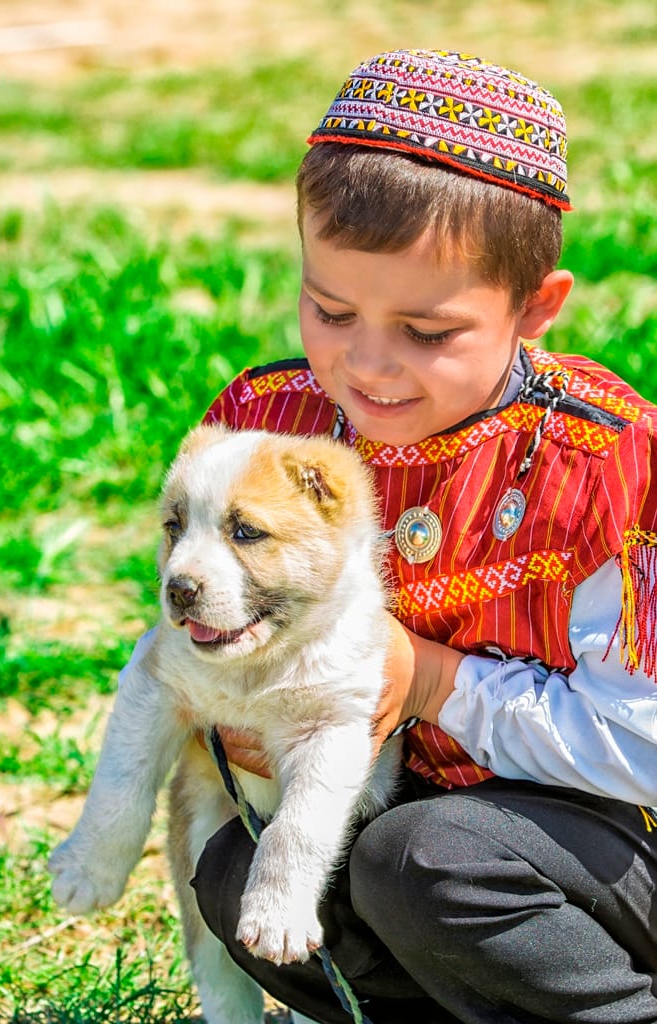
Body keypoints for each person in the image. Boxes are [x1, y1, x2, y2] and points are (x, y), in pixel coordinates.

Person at [186, 48, 657, 1022]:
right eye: (329, 308)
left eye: (427, 331)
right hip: (404, 831)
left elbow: (641, 747)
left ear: (534, 306)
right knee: (244, 878)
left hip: (610, 843)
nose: (367, 363)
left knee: (426, 860)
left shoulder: (603, 466)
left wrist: (429, 678)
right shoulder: (269, 426)